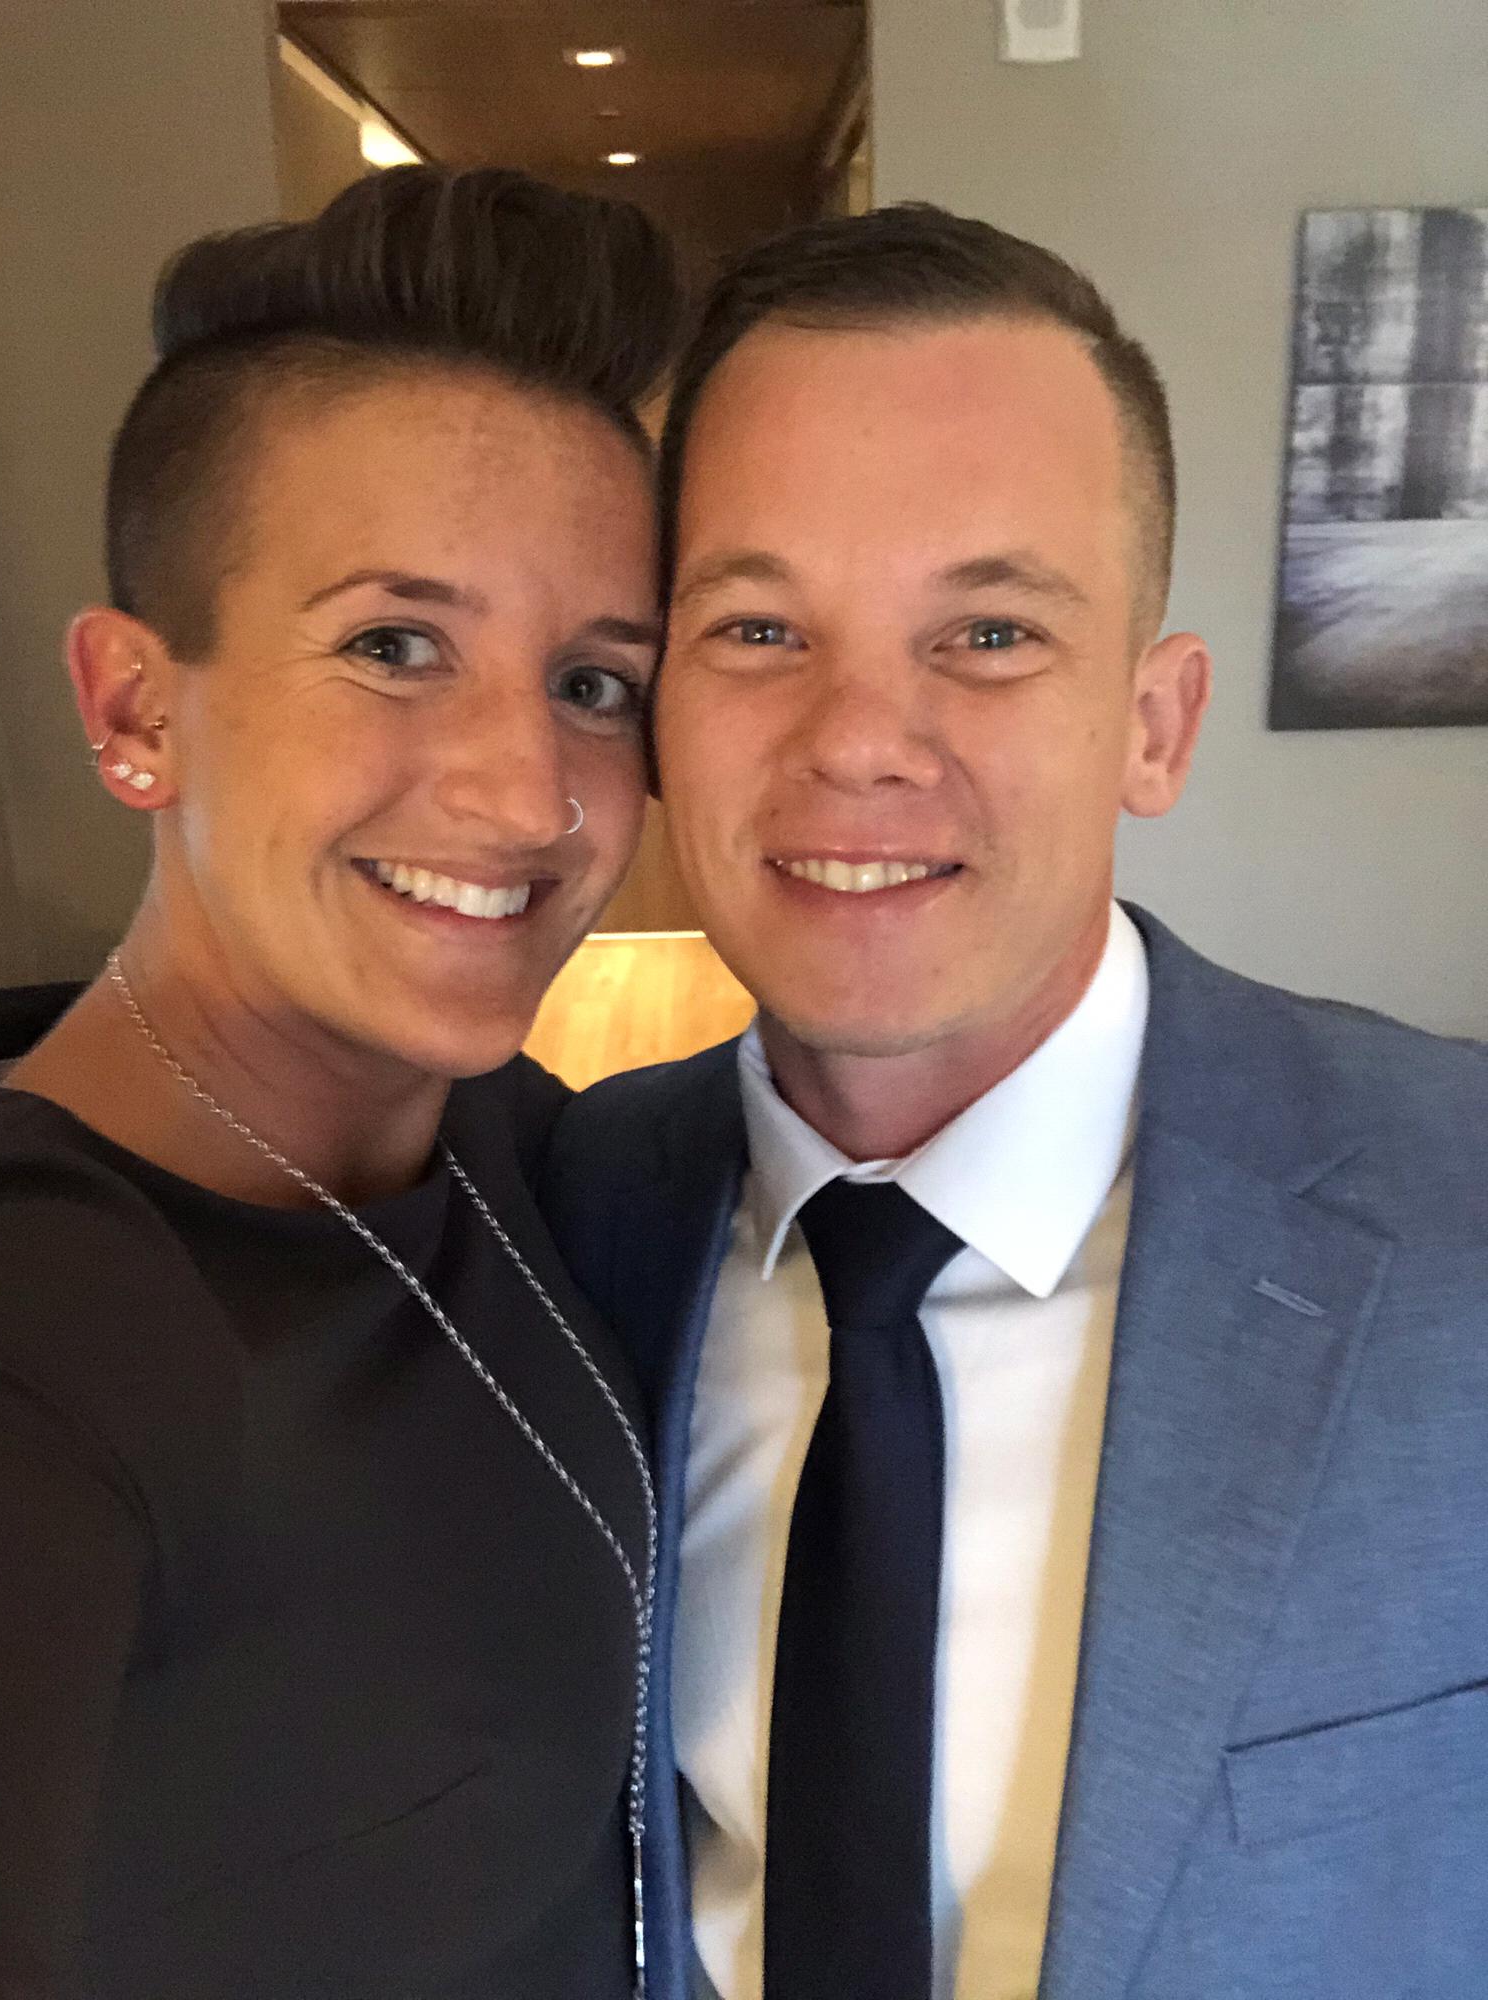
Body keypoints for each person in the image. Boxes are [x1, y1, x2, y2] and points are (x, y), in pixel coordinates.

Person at [542, 204, 1488, 2000]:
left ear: (1152, 723)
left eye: (985, 632)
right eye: (758, 627)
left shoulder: (1459, 1217)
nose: (855, 737)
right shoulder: (554, 1213)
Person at [0, 165, 682, 1999]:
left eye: (594, 683)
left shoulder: (521, 1151)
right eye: (393, 646)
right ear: (135, 707)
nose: (527, 795)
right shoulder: (44, 1332)